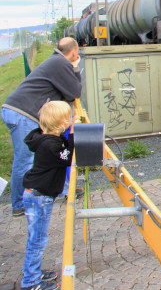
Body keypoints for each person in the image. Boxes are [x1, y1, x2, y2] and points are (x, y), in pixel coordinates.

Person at [1, 37, 82, 217]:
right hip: (23, 113)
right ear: (74, 52)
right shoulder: (60, 64)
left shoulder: (56, 61)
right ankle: (19, 204)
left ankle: (63, 190)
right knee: (25, 160)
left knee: (47, 154)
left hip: (22, 111)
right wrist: (76, 67)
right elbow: (75, 91)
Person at [20, 101, 78, 290]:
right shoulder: (51, 145)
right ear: (62, 123)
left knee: (36, 237)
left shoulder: (43, 138)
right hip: (40, 197)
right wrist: (73, 133)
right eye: (68, 118)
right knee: (37, 240)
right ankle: (31, 282)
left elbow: (58, 146)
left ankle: (33, 271)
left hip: (35, 194)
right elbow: (67, 157)